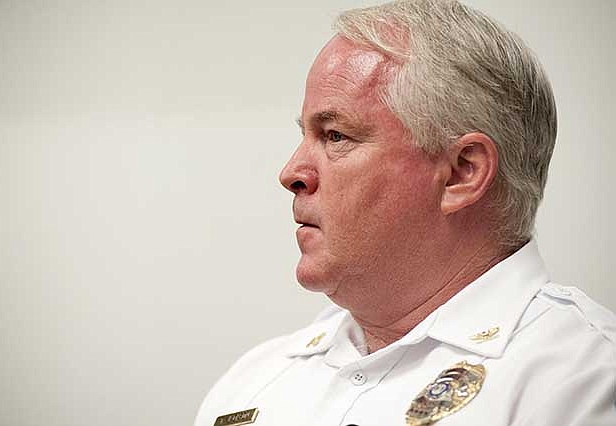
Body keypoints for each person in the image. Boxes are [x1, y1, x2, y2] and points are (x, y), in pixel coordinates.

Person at [194, 1, 616, 425]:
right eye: (305, 135)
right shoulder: (253, 381)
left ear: (460, 173)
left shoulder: (582, 376)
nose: (292, 173)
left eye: (335, 135)